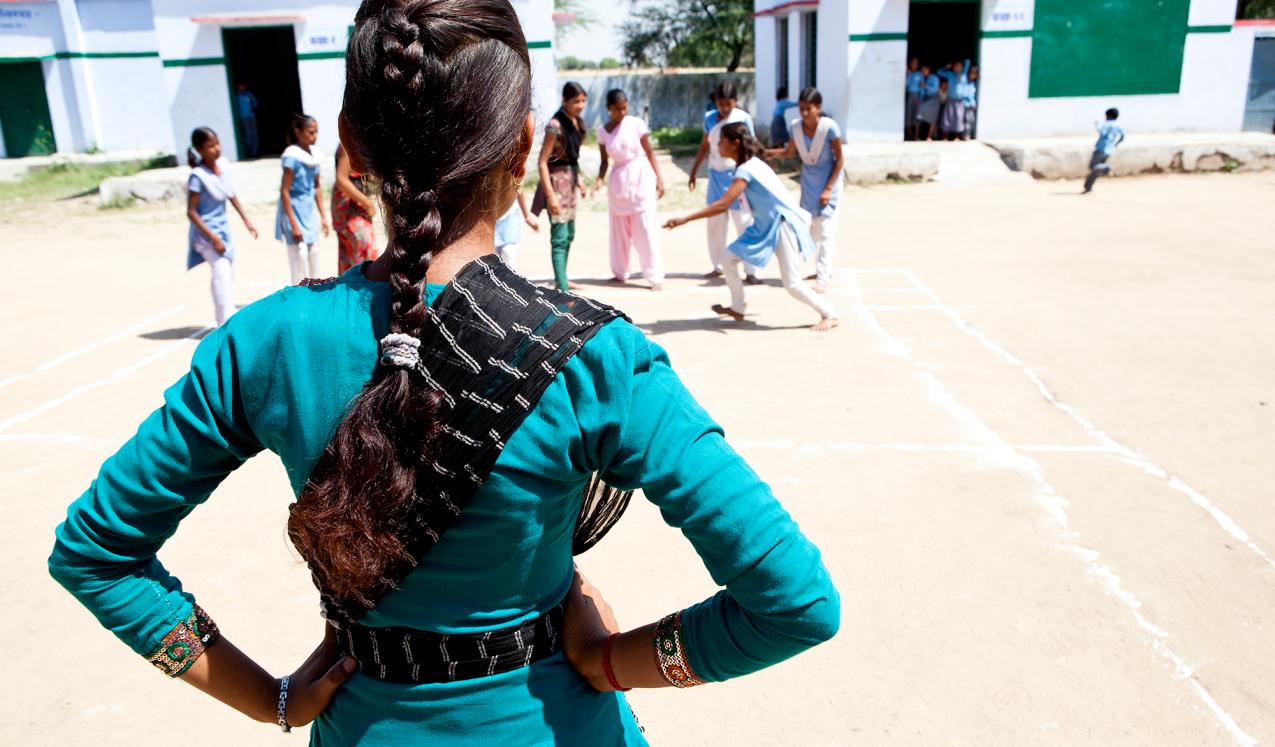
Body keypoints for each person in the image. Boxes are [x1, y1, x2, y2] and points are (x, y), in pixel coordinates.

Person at [48, 2, 840, 744]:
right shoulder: (600, 361)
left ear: (351, 150)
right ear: (525, 144)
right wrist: (607, 659)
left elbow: (94, 552)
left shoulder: (262, 341)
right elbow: (794, 604)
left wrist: (272, 699)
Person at [666, 122, 839, 332]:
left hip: (782, 226)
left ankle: (829, 314)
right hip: (763, 227)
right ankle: (738, 307)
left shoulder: (747, 170)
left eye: (722, 140)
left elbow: (723, 204)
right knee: (727, 258)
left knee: (792, 283)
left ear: (735, 144)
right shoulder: (749, 165)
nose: (718, 144)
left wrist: (685, 219)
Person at [766, 87, 844, 292]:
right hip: (809, 182)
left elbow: (839, 161)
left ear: (818, 108)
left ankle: (823, 275)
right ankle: (819, 268)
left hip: (829, 180)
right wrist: (770, 154)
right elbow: (791, 151)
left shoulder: (830, 128)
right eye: (801, 108)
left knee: (826, 229)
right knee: (811, 228)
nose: (804, 113)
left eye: (808, 108)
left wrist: (828, 189)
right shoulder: (796, 128)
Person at [688, 80, 760, 284]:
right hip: (715, 174)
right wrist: (693, 171)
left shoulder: (743, 118)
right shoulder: (709, 119)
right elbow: (704, 145)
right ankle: (717, 265)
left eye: (728, 104)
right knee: (715, 224)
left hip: (737, 174)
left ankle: (750, 269)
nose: (725, 108)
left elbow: (751, 146)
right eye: (721, 104)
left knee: (743, 222)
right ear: (715, 102)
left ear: (735, 102)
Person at [185, 127, 258, 326]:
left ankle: (226, 312)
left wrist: (246, 220)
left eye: (217, 143)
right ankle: (222, 321)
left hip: (223, 230)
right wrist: (213, 238)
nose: (216, 149)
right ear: (199, 149)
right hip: (207, 235)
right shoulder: (198, 176)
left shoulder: (222, 167)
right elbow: (191, 212)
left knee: (228, 273)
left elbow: (230, 193)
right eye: (210, 146)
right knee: (221, 271)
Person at [594, 88, 666, 290]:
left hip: (640, 180)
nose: (622, 112)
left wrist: (659, 178)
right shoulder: (602, 131)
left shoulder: (636, 124)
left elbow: (650, 152)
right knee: (619, 232)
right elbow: (603, 162)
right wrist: (598, 180)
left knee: (645, 229)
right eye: (618, 109)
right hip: (618, 185)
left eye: (625, 108)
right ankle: (620, 272)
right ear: (609, 109)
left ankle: (654, 276)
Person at [532, 81, 588, 290]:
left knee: (569, 234)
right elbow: (542, 162)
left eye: (583, 101)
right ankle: (562, 288)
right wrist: (550, 196)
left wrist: (579, 179)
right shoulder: (555, 125)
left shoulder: (576, 123)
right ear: (565, 101)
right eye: (576, 101)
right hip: (556, 186)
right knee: (559, 237)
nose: (580, 105)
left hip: (570, 185)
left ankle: (562, 278)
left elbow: (572, 159)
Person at [275, 114, 330, 284]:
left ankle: (312, 292)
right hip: (293, 209)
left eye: (316, 132)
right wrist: (293, 224)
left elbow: (317, 187)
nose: (314, 136)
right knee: (299, 256)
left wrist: (323, 216)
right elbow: (284, 191)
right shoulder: (291, 157)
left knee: (314, 252)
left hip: (308, 210)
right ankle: (297, 294)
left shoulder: (315, 156)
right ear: (298, 132)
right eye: (310, 132)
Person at [332, 143, 379, 274]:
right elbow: (341, 179)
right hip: (349, 207)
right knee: (367, 253)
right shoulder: (349, 140)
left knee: (349, 257)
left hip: (350, 204)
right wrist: (367, 203)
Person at [493, 187, 538, 271]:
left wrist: (527, 217)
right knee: (491, 260)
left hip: (509, 218)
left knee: (509, 255)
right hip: (488, 218)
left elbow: (519, 187)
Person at [1084, 108, 1125, 194]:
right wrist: (1116, 144)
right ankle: (1088, 186)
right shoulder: (1118, 126)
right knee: (1097, 169)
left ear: (1108, 116)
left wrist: (1096, 125)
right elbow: (1122, 136)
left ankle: (1108, 168)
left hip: (1101, 149)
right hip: (1109, 150)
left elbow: (1103, 132)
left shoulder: (1106, 125)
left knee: (1093, 166)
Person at [916, 65, 941, 142]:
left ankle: (929, 136)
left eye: (925, 70)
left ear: (929, 70)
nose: (923, 72)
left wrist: (925, 86)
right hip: (925, 100)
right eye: (922, 70)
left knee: (932, 118)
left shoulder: (934, 78)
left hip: (934, 99)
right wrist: (920, 99)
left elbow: (934, 89)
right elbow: (921, 91)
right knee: (919, 116)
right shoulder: (922, 78)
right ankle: (916, 136)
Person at [235, 83, 259, 158]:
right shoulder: (237, 96)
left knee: (254, 134)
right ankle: (249, 152)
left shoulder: (248, 94)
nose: (242, 87)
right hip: (243, 118)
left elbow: (255, 103)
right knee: (248, 135)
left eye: (243, 85)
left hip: (251, 116)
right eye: (240, 85)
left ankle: (254, 152)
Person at [904, 58, 924, 141]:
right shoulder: (908, 73)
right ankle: (910, 135)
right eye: (913, 63)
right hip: (909, 96)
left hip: (917, 97)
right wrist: (907, 74)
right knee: (908, 115)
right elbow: (906, 85)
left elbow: (922, 86)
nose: (914, 65)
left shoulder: (919, 74)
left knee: (917, 116)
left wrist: (921, 97)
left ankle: (916, 135)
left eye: (916, 63)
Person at [961, 65, 979, 140]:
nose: (972, 74)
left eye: (975, 72)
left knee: (971, 121)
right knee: (965, 121)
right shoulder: (964, 81)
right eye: (971, 72)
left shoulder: (974, 83)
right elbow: (965, 94)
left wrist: (973, 104)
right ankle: (965, 136)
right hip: (965, 105)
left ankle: (967, 135)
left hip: (971, 106)